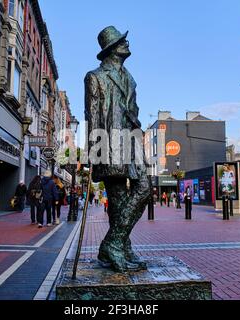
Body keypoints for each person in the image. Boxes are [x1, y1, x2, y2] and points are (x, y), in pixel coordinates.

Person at [85, 26, 150, 272]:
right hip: (109, 141)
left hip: (131, 138)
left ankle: (113, 243)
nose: (127, 43)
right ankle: (121, 247)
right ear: (112, 49)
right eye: (123, 41)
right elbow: (91, 114)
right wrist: (94, 150)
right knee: (118, 198)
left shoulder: (130, 78)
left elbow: (133, 110)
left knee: (144, 187)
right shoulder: (95, 76)